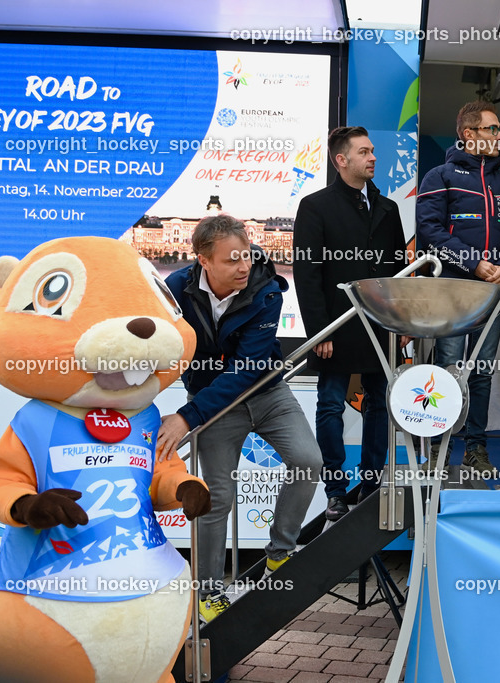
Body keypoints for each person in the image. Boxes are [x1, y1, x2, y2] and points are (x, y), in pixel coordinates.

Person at [157, 215, 321, 622]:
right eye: (232, 261)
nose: (244, 267)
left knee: (308, 461)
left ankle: (280, 553)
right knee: (216, 498)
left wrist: (187, 416)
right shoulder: (174, 290)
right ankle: (209, 592)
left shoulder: (267, 288)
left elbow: (248, 368)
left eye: (246, 256)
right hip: (214, 405)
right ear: (203, 262)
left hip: (266, 393)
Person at [293, 126, 408, 520]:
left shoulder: (389, 208)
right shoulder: (315, 205)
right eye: (364, 151)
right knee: (330, 405)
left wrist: (401, 322)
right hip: (336, 327)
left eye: (373, 150)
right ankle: (336, 492)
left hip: (380, 325)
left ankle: (372, 484)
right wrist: (318, 331)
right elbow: (306, 272)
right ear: (341, 160)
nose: (373, 157)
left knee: (381, 404)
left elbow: (399, 272)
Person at [416, 101, 500, 473]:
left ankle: (475, 448)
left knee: (482, 370)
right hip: (452, 288)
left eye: (499, 130)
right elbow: (429, 231)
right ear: (469, 134)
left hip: (492, 294)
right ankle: (438, 447)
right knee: (447, 367)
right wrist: (473, 263)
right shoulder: (440, 176)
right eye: (492, 129)